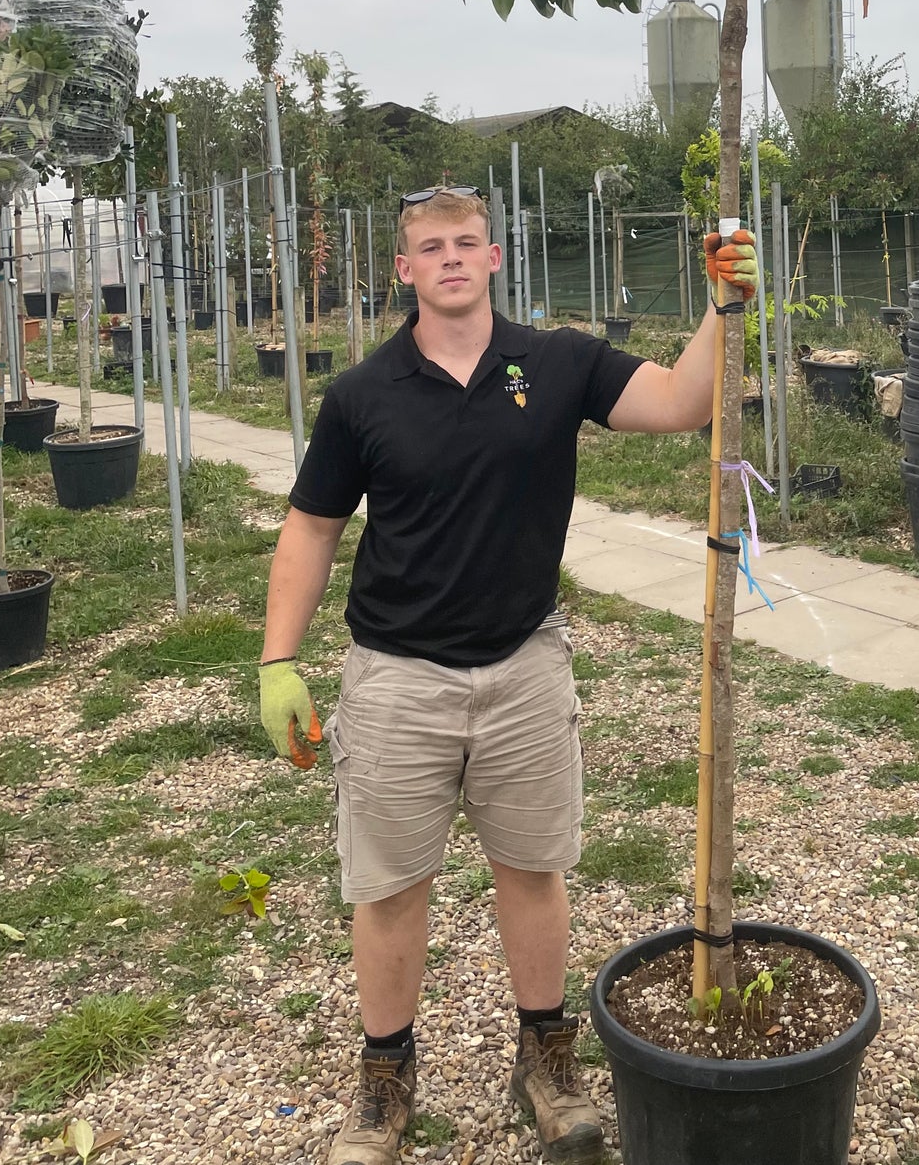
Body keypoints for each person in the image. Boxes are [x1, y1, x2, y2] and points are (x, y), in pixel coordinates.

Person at [259, 187, 758, 1165]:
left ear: (494, 259)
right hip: (395, 678)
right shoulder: (363, 394)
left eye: (467, 243)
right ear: (403, 271)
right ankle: (385, 1081)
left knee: (532, 871)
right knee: (391, 886)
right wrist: (278, 660)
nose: (450, 257)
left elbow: (681, 400)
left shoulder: (557, 360)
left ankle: (544, 1057)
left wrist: (724, 303)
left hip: (524, 666)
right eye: (429, 247)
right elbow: (312, 525)